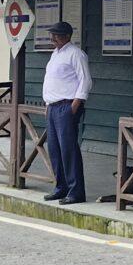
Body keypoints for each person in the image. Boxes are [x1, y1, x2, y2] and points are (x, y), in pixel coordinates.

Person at [42, 21, 92, 205]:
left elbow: (85, 81)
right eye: (52, 35)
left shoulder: (76, 54)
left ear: (67, 36)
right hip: (53, 106)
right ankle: (60, 187)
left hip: (67, 106)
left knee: (68, 149)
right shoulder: (55, 54)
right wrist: (48, 103)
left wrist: (75, 105)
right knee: (54, 149)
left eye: (56, 35)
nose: (53, 38)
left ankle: (76, 191)